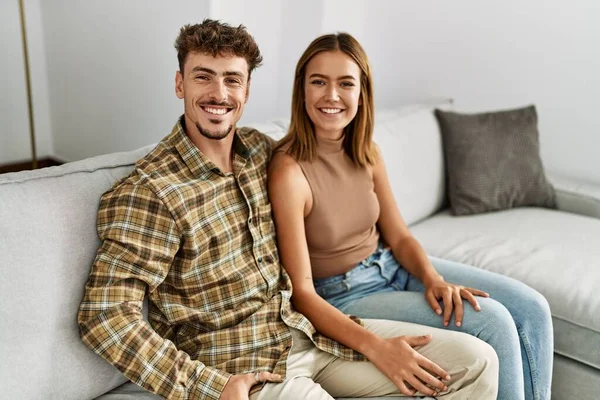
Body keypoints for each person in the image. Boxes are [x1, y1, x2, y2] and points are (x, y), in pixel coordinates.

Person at [78, 20, 498, 400]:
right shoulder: (151, 191)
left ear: (247, 90)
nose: (219, 94)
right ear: (179, 83)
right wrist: (207, 387)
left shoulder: (261, 152)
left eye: (232, 80)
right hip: (245, 367)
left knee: (475, 361)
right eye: (203, 77)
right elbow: (105, 316)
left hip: (308, 337)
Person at [268, 32, 553, 400]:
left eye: (345, 83)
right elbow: (303, 294)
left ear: (362, 92)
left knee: (532, 308)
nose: (332, 96)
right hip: (344, 296)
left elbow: (399, 236)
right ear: (302, 89)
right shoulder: (289, 171)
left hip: (392, 266)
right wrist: (374, 346)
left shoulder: (367, 151)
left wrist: (432, 278)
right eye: (318, 82)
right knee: (494, 324)